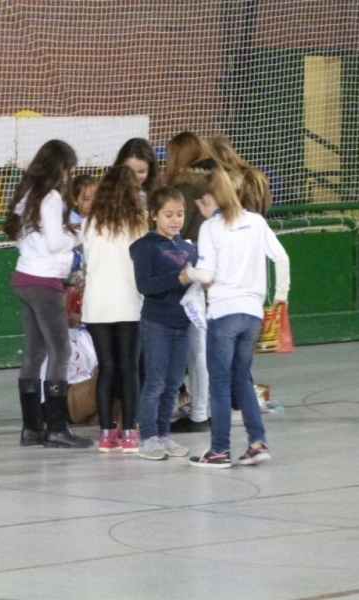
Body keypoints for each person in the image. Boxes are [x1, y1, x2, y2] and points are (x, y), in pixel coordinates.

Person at [183, 168, 290, 468]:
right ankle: (257, 443)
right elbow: (281, 257)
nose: (201, 212)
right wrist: (281, 294)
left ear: (207, 200)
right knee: (241, 379)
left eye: (200, 206)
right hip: (252, 315)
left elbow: (207, 274)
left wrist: (188, 273)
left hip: (223, 313)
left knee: (219, 383)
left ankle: (219, 449)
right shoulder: (255, 221)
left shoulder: (210, 228)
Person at [4, 139, 92, 449]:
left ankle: (31, 428)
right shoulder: (51, 197)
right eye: (68, 170)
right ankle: (56, 427)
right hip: (44, 282)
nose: (68, 177)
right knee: (61, 351)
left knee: (35, 353)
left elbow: (23, 237)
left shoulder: (26, 194)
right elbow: (56, 242)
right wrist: (81, 232)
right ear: (59, 168)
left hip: (24, 277)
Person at [81, 165, 147, 453]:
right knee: (129, 370)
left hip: (97, 306)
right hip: (129, 304)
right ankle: (130, 432)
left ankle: (106, 433)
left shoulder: (89, 223)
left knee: (107, 370)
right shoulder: (139, 223)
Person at [129, 186, 196, 460]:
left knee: (173, 383)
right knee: (155, 382)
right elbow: (145, 285)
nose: (175, 220)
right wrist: (177, 279)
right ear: (154, 215)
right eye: (168, 214)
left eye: (180, 214)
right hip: (157, 323)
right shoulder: (144, 247)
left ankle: (164, 435)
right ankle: (147, 438)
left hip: (184, 324)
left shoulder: (187, 248)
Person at [165, 131, 216, 433]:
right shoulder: (216, 183)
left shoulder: (183, 188)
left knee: (197, 348)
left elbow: (177, 232)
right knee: (205, 347)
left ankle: (199, 413)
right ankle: (207, 408)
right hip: (215, 272)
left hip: (192, 272)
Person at [113, 138, 162, 202]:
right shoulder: (110, 193)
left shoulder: (159, 194)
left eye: (141, 171)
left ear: (151, 170)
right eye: (130, 171)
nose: (135, 177)